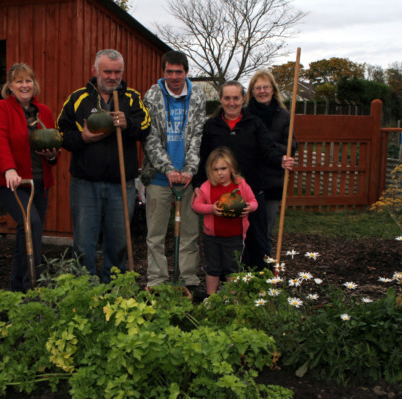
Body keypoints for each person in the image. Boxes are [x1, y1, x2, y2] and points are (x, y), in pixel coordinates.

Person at [58, 49, 151, 283]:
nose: (112, 76)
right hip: (85, 183)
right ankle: (84, 288)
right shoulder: (78, 98)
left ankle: (113, 288)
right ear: (95, 71)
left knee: (119, 241)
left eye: (117, 71)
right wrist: (83, 138)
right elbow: (61, 133)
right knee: (83, 242)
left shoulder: (131, 98)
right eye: (107, 71)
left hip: (122, 184)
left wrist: (127, 123)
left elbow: (146, 127)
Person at [193, 81, 293, 271]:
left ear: (243, 99)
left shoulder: (254, 123)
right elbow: (204, 158)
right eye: (227, 98)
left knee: (257, 239)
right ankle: (227, 283)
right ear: (221, 99)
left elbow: (268, 150)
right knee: (225, 242)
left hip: (251, 190)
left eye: (236, 98)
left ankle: (259, 281)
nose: (232, 102)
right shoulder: (212, 126)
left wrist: (281, 160)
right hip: (221, 192)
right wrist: (198, 183)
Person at [0, 63, 59, 292]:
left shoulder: (44, 112)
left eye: (28, 80)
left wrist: (52, 156)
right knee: (31, 225)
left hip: (39, 183)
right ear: (9, 86)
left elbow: (52, 144)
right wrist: (9, 169)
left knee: (27, 232)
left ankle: (18, 289)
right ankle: (32, 288)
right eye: (18, 81)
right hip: (11, 182)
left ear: (34, 84)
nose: (24, 85)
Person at [140, 51, 206, 290]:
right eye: (170, 72)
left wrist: (189, 169)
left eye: (179, 72)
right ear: (163, 72)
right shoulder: (152, 96)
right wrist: (167, 168)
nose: (175, 77)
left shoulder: (197, 96)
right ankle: (157, 280)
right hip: (159, 178)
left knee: (189, 232)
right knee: (155, 234)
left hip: (188, 179)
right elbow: (150, 137)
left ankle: (187, 279)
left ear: (186, 72)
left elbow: (198, 135)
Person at [192, 147, 257, 295]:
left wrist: (249, 207)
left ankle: (231, 299)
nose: (219, 173)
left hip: (235, 237)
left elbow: (254, 201)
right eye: (215, 169)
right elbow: (196, 205)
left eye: (223, 168)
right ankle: (211, 297)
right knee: (212, 268)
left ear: (231, 168)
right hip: (212, 237)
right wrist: (211, 209)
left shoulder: (240, 185)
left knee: (232, 269)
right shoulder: (207, 186)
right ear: (210, 170)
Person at [247, 70, 297, 246]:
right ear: (252, 91)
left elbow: (291, 146)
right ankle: (244, 269)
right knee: (247, 229)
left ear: (273, 89)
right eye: (258, 87)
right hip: (249, 179)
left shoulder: (283, 115)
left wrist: (267, 147)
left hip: (273, 180)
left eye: (266, 87)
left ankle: (264, 270)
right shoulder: (245, 115)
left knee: (267, 230)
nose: (262, 91)